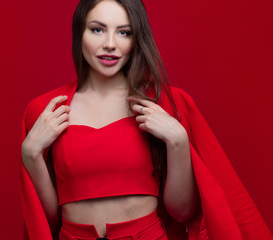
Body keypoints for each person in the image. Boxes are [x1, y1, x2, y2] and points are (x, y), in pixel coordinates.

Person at [20, 0, 272, 239]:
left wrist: (178, 141)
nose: (110, 44)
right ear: (79, 33)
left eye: (124, 32)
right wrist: (30, 154)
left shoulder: (165, 103)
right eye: (97, 29)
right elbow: (48, 221)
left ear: (136, 39)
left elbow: (182, 211)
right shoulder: (46, 110)